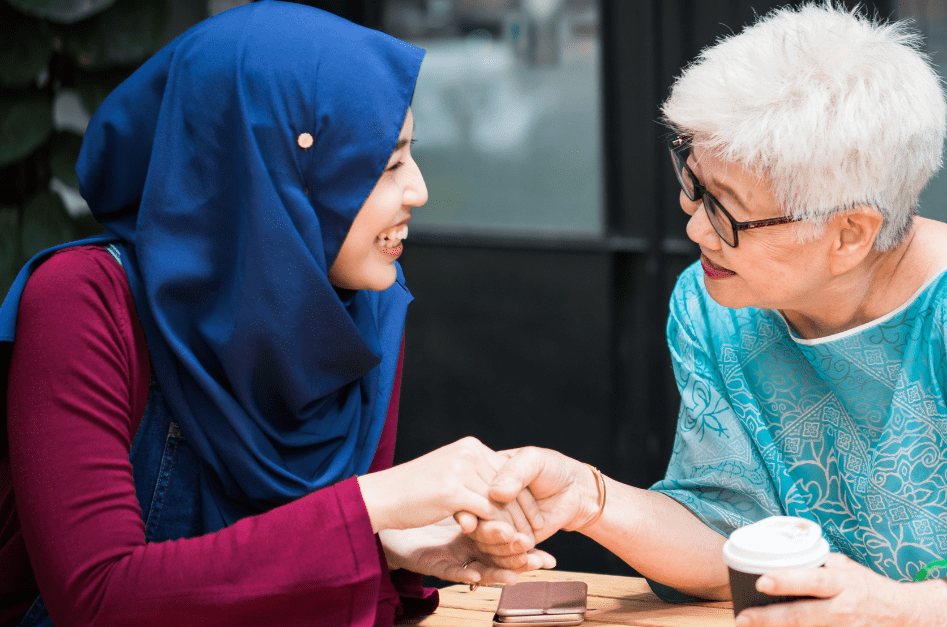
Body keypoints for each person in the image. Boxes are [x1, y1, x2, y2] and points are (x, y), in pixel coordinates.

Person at [473, 4, 947, 627]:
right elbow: (726, 535)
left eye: (725, 209)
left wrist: (914, 611)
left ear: (849, 234)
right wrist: (592, 499)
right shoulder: (715, 303)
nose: (695, 227)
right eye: (695, 184)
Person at [0, 3, 550, 626]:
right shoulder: (84, 302)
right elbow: (98, 599)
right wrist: (374, 505)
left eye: (409, 154)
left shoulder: (362, 304)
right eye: (388, 164)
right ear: (276, 172)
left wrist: (387, 548)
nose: (418, 190)